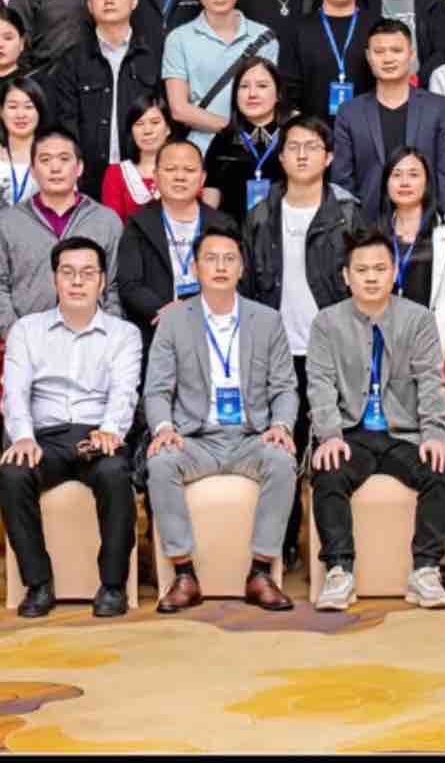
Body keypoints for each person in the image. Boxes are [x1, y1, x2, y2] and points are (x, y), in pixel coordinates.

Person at [134, 228, 298, 611]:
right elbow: (156, 389)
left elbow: (285, 387)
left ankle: (260, 572)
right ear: (195, 268)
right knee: (161, 462)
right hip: (195, 439)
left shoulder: (267, 320)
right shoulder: (175, 320)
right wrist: (164, 428)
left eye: (229, 259)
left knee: (282, 460)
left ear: (242, 268)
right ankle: (184, 575)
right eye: (210, 258)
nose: (220, 267)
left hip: (251, 437)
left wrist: (281, 425)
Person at [300, 234, 445, 611]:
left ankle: (426, 570)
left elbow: (431, 381)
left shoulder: (418, 319)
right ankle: (339, 571)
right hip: (351, 434)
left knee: (440, 469)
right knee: (329, 471)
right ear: (346, 276)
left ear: (394, 272)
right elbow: (319, 384)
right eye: (362, 270)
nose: (371, 277)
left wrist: (435, 435)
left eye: (380, 269)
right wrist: (329, 435)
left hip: (404, 434)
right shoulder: (327, 323)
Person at [0, 237, 151, 617]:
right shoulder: (26, 330)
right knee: (13, 474)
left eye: (87, 273)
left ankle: (112, 585)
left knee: (115, 473)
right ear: (55, 279)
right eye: (68, 273)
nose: (77, 282)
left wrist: (111, 430)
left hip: (97, 435)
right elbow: (14, 391)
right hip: (44, 438)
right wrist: (23, 436)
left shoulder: (124, 334)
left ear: (102, 281)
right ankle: (38, 584)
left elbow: (124, 392)